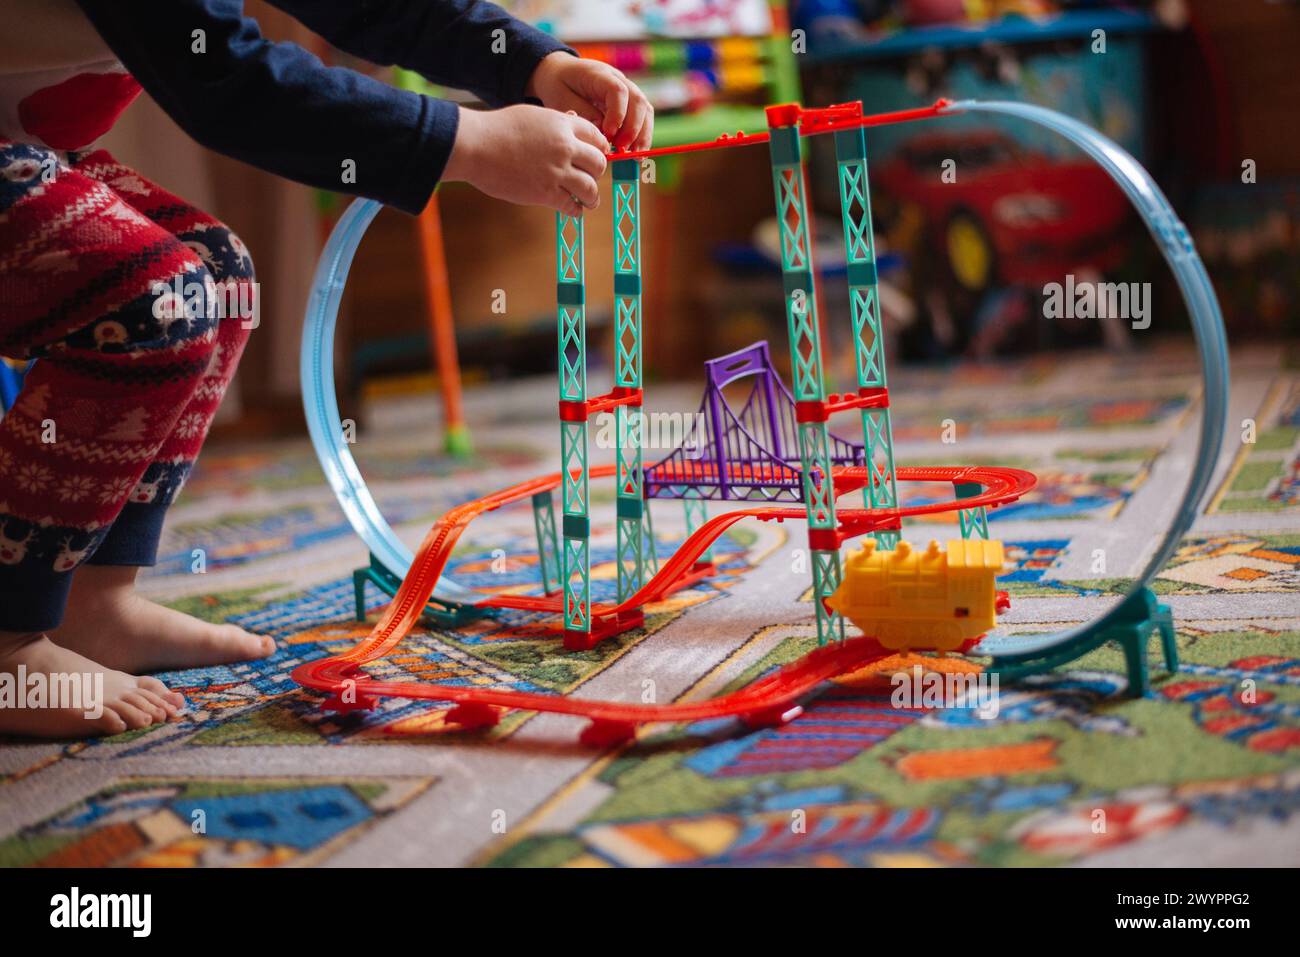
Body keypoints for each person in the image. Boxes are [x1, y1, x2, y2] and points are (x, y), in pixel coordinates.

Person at [0, 0, 653, 737]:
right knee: (158, 298)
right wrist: (464, 142)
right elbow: (228, 80)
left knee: (221, 278)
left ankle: (93, 598)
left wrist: (535, 64)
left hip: (27, 143)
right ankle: (8, 643)